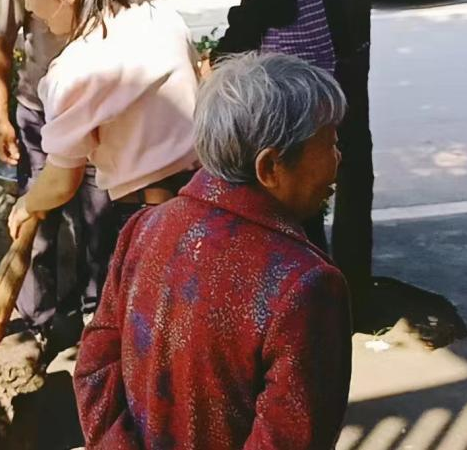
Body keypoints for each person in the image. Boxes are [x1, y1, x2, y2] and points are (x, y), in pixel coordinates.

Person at [74, 52, 352, 449]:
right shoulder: (305, 284)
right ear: (270, 167)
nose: (338, 161)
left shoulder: (146, 228)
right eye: (329, 144)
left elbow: (94, 367)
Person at [5, 0, 198, 318]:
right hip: (203, 202)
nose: (29, 6)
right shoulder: (158, 14)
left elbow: (60, 180)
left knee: (146, 346)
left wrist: (26, 205)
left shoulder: (76, 69)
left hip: (148, 219)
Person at [0, 0, 153, 335]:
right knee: (35, 231)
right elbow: (1, 42)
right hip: (39, 118)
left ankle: (101, 327)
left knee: (103, 229)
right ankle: (35, 327)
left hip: (101, 126)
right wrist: (2, 117)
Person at [208, 0, 355, 251]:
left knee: (285, 214)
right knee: (311, 205)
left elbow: (242, 34)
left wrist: (213, 63)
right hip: (326, 102)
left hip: (285, 110)